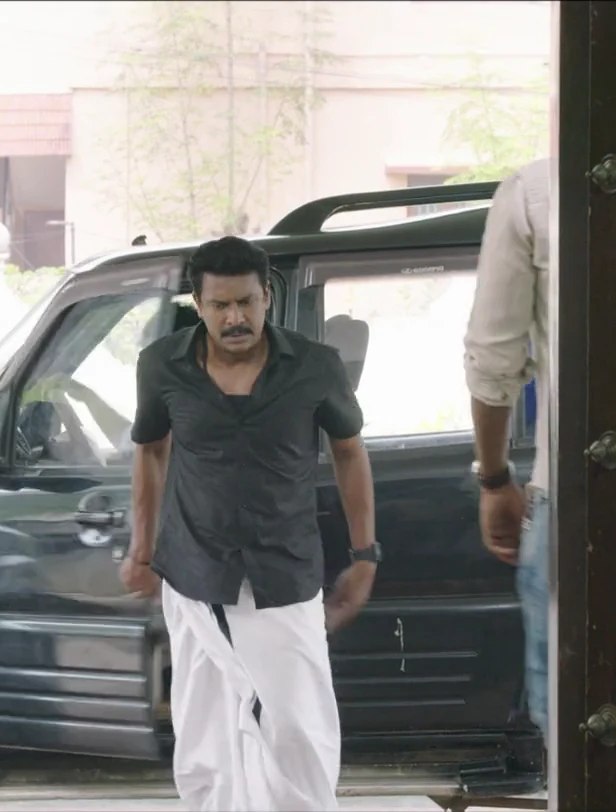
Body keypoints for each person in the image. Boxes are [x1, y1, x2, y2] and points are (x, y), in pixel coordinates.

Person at [123, 236, 378, 812]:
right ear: (198, 304)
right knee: (204, 732)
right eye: (220, 305)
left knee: (298, 724)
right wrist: (141, 548)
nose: (235, 318)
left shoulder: (315, 366)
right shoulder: (160, 365)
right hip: (194, 574)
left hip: (283, 574)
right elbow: (151, 450)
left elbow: (349, 452)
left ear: (267, 296)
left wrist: (365, 554)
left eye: (246, 302)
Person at [463, 157, 555, 749]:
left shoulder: (536, 191)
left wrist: (495, 480)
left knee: (571, 717)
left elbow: (493, 361)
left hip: (572, 495)